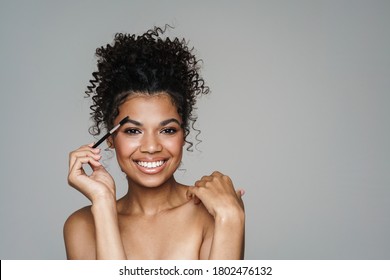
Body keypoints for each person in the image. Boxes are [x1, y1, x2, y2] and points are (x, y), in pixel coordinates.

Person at [64, 26, 245, 260]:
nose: (151, 147)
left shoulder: (216, 211)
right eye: (132, 131)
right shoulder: (81, 226)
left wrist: (232, 216)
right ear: (110, 139)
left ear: (184, 135)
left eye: (167, 130)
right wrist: (103, 204)